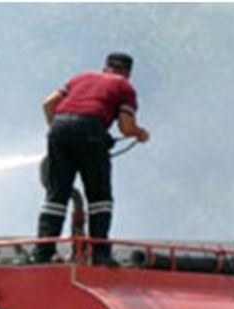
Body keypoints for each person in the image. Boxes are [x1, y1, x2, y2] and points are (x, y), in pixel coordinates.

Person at [36, 52, 150, 265]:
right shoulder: (124, 86)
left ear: (105, 66)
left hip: (59, 128)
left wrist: (61, 131)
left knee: (56, 194)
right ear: (127, 72)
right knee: (99, 197)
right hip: (91, 130)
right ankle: (100, 254)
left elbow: (48, 104)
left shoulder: (80, 78)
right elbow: (126, 127)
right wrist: (140, 133)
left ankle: (43, 252)